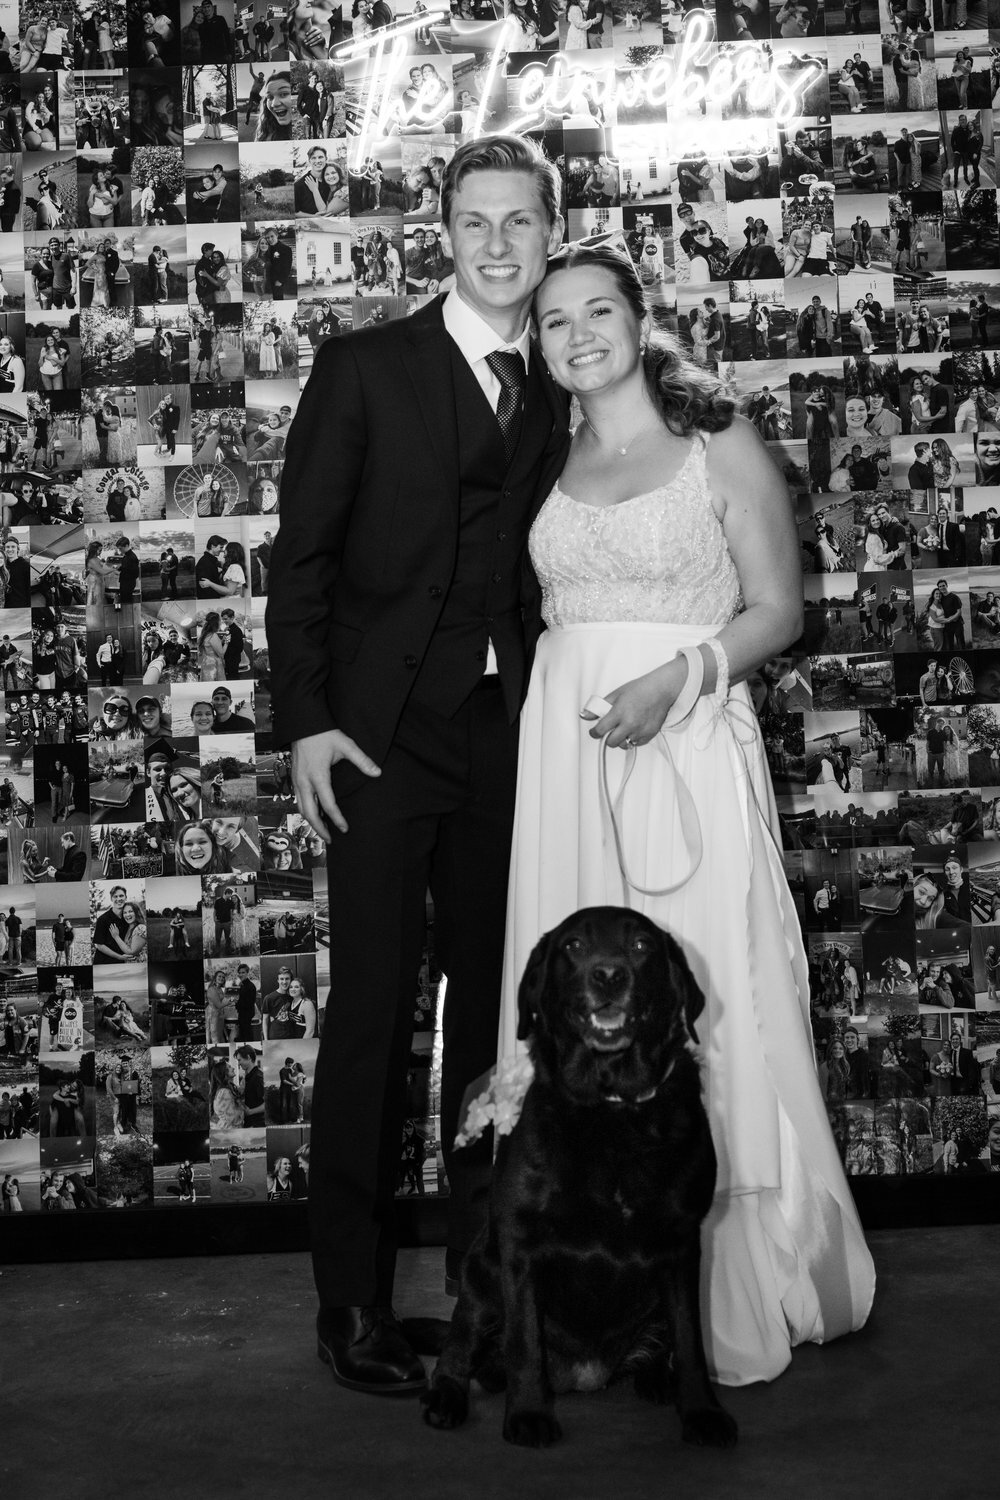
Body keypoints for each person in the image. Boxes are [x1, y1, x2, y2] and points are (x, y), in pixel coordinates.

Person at [484, 240, 875, 1385]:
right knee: (577, 992)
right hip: (567, 756)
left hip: (688, 736)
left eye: (597, 311)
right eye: (555, 321)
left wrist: (679, 679)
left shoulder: (717, 438)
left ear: (639, 317)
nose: (578, 336)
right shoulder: (540, 454)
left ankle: (733, 1279)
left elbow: (778, 610)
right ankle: (586, 1295)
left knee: (709, 990)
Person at [266, 135, 570, 1395]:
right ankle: (349, 1305)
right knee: (372, 1016)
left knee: (492, 1024)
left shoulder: (567, 376)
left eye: (519, 222)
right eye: (474, 222)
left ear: (552, 234)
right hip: (377, 742)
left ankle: (480, 1298)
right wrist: (306, 722)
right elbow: (301, 558)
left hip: (510, 735)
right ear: (442, 235)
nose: (497, 244)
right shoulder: (364, 367)